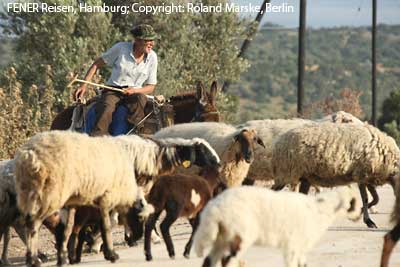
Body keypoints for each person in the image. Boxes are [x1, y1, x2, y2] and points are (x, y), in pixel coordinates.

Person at [74, 24, 158, 136]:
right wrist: (83, 85)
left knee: (140, 99)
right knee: (107, 107)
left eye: (152, 40)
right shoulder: (120, 48)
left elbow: (151, 87)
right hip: (113, 90)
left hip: (135, 93)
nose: (151, 44)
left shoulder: (153, 57)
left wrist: (134, 91)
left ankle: (134, 133)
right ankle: (97, 136)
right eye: (148, 40)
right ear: (137, 40)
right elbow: (96, 64)